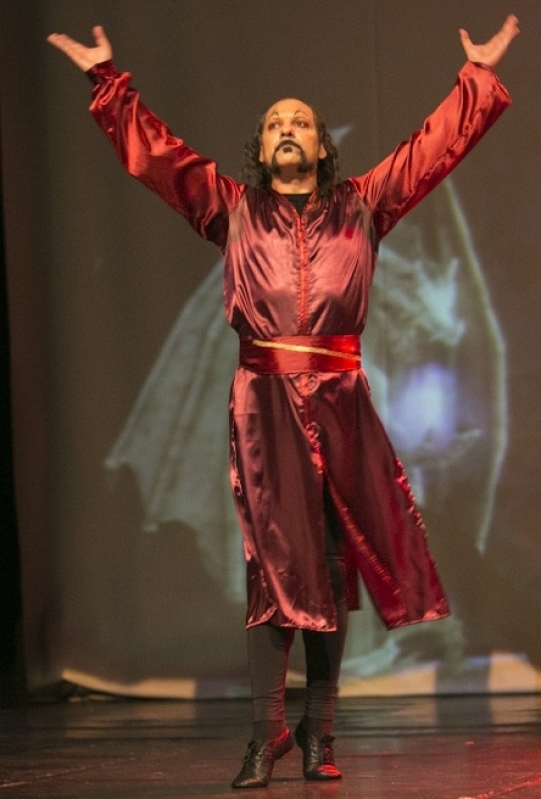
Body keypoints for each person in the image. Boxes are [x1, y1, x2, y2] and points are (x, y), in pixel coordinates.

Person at [48, 15, 519, 789]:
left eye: (301, 121)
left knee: (332, 572)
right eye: (276, 124)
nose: (289, 129)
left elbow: (433, 149)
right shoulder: (230, 209)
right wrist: (108, 81)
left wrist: (472, 80)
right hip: (263, 401)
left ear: (322, 148)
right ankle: (264, 732)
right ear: (262, 151)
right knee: (274, 569)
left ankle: (319, 732)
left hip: (340, 399)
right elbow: (157, 158)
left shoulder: (363, 205)